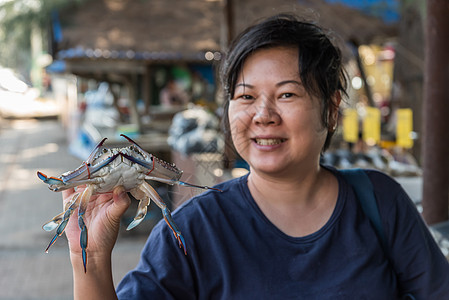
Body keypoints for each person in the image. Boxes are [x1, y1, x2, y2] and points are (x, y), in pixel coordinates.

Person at [63, 14, 449, 299]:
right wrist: (91, 257)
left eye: (287, 95)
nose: (263, 114)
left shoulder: (380, 202)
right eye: (246, 97)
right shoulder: (194, 231)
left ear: (331, 110)